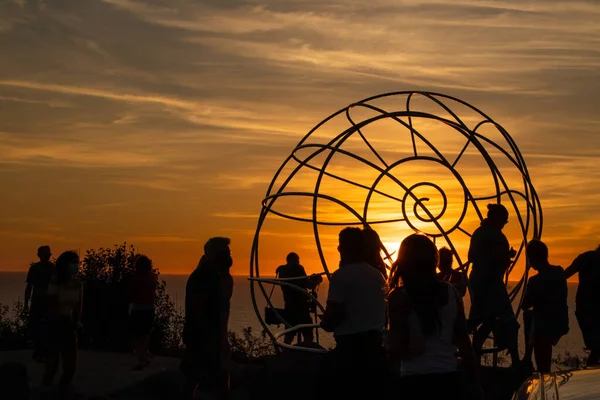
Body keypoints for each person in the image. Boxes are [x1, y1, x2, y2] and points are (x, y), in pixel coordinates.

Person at [386, 234, 483, 400]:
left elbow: (397, 349)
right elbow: (463, 342)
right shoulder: (451, 293)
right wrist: (475, 385)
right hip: (449, 381)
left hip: (413, 382)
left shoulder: (399, 297)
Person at [319, 227, 387, 398]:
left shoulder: (341, 276)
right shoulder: (378, 276)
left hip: (350, 351)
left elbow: (334, 314)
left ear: (343, 248)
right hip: (375, 349)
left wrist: (325, 322)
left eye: (340, 245)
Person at [180, 237, 234, 400]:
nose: (228, 256)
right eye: (224, 252)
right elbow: (199, 309)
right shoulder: (203, 276)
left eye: (228, 252)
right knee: (197, 376)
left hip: (209, 334)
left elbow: (223, 308)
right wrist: (213, 337)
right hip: (202, 335)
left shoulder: (218, 276)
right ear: (211, 254)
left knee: (204, 376)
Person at [468, 203, 520, 367]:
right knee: (509, 321)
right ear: (497, 218)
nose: (505, 223)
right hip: (491, 283)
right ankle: (516, 362)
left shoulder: (478, 233)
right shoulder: (495, 236)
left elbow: (471, 256)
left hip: (478, 280)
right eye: (504, 220)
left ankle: (471, 355)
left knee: (484, 319)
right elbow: (497, 259)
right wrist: (507, 256)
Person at [521, 240, 569, 373]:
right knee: (531, 317)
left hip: (544, 325)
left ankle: (530, 361)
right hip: (560, 321)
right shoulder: (559, 272)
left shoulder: (535, 280)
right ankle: (528, 359)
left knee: (529, 317)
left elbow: (526, 304)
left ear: (531, 259)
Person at [42, 251, 83, 399]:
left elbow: (78, 306)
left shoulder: (78, 284)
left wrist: (74, 324)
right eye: (72, 262)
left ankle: (62, 391)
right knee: (52, 365)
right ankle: (45, 392)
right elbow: (52, 305)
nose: (75, 266)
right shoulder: (55, 282)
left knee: (71, 366)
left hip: (69, 324)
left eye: (77, 262)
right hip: (55, 324)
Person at [275, 252, 322, 345]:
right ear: (296, 260)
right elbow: (308, 285)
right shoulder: (298, 268)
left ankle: (285, 354)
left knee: (289, 334)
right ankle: (306, 353)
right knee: (308, 333)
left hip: (289, 306)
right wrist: (317, 281)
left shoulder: (282, 271)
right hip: (301, 307)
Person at [564, 245, 600, 366]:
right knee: (596, 346)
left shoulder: (585, 257)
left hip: (584, 307)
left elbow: (566, 274)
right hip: (588, 308)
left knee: (595, 345)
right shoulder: (586, 257)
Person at [24, 245, 55, 362]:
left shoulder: (52, 268)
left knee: (48, 326)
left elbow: (56, 285)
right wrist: (26, 303)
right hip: (37, 301)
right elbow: (29, 287)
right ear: (39, 255)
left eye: (49, 254)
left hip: (48, 302)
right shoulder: (34, 269)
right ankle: (39, 347)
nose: (47, 256)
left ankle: (44, 349)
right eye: (46, 254)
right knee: (33, 326)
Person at [128, 255, 158, 370]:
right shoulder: (152, 278)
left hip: (138, 308)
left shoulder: (136, 278)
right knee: (145, 333)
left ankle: (142, 357)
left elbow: (131, 293)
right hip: (149, 308)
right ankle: (145, 352)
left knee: (135, 334)